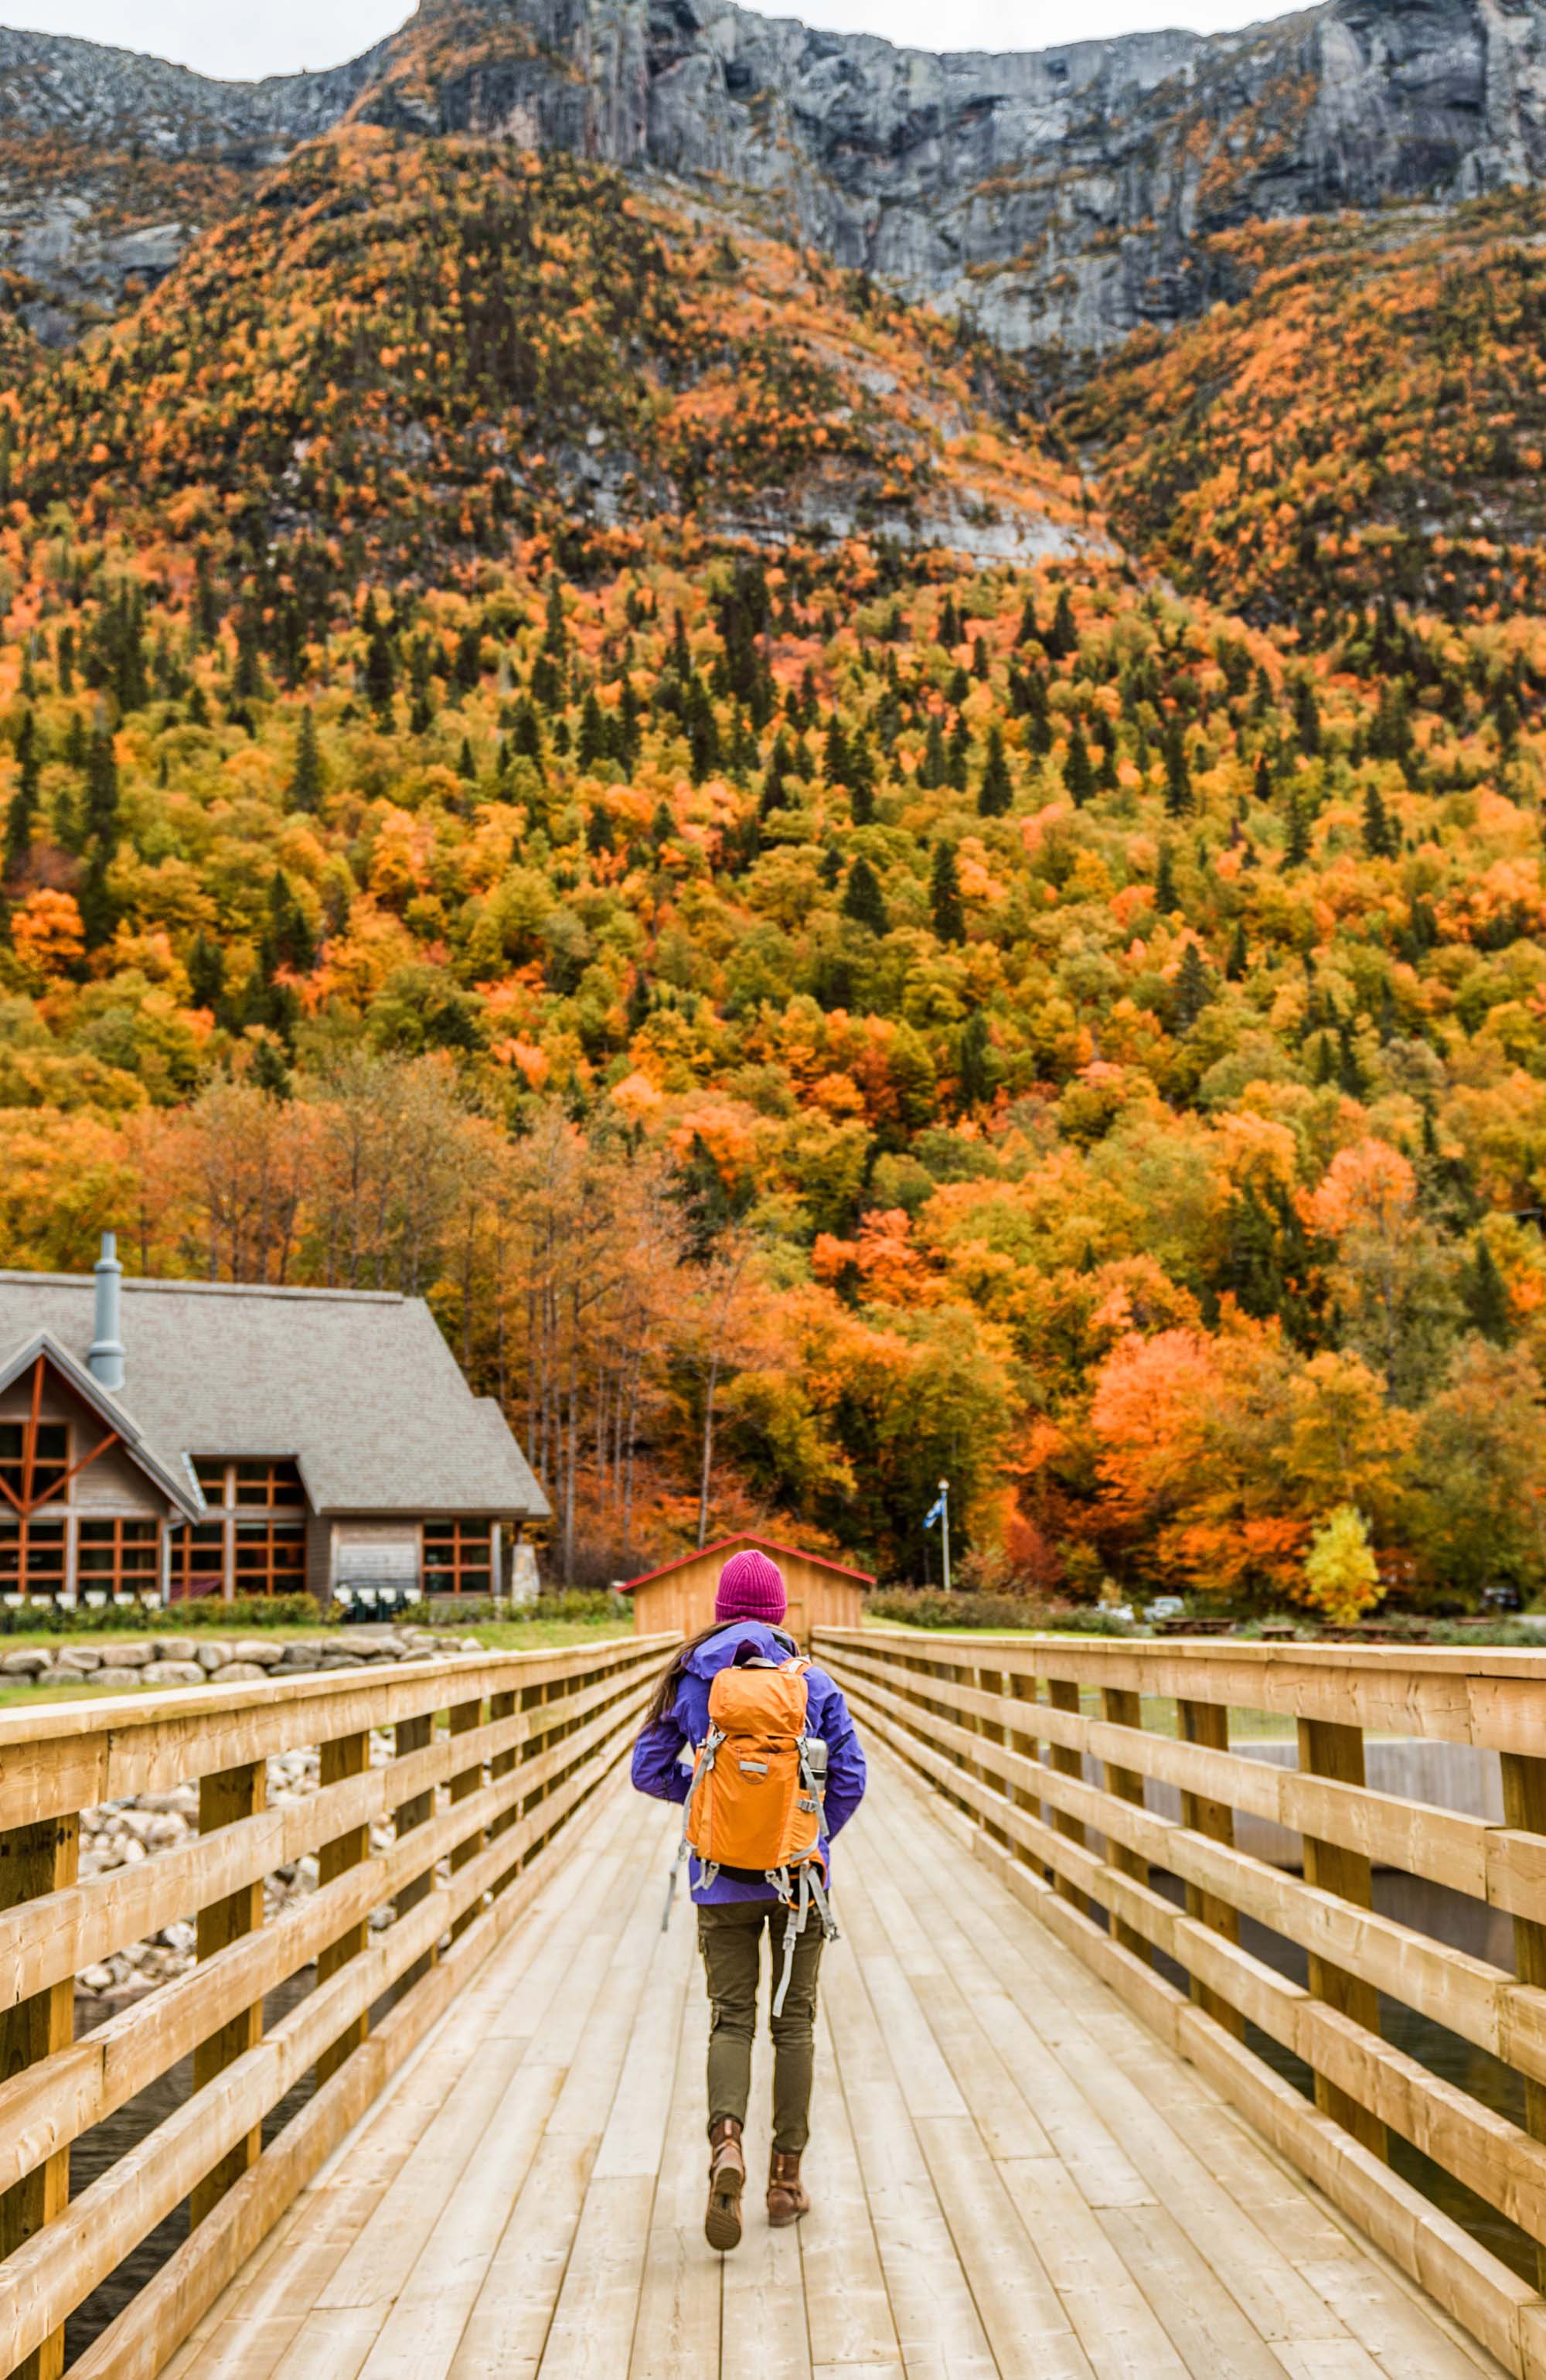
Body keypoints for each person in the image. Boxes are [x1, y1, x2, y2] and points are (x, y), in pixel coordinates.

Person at [631, 1546, 867, 2250]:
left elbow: (648, 1770)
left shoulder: (689, 1677)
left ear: (721, 1611)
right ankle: (785, 2181)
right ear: (779, 1613)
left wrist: (709, 1803)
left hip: (719, 1878)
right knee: (793, 2026)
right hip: (798, 1880)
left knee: (730, 2020)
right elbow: (851, 1777)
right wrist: (806, 1833)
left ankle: (725, 2145)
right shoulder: (811, 1682)